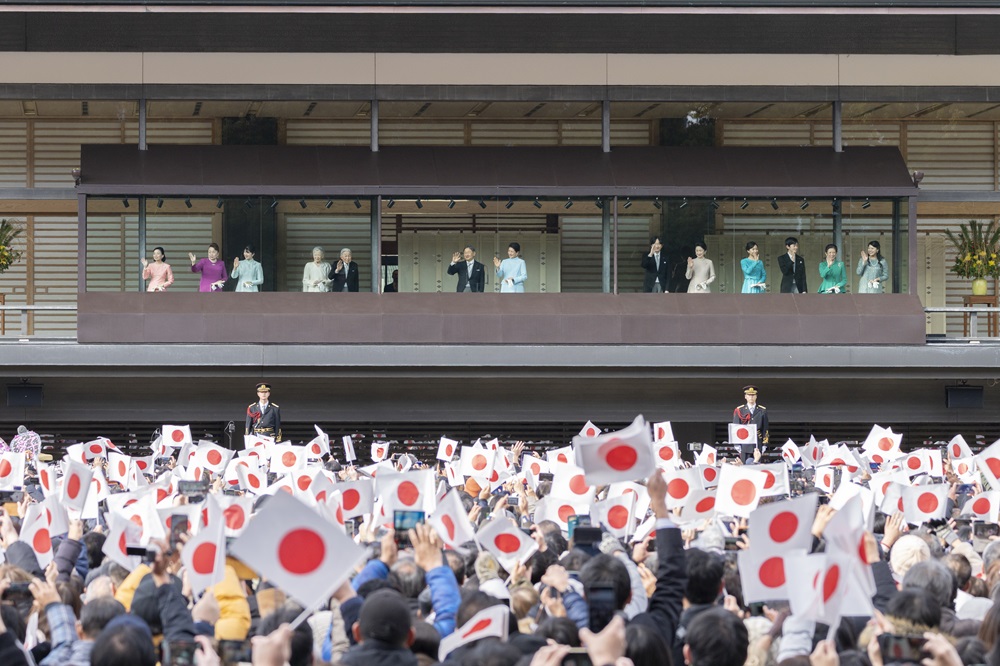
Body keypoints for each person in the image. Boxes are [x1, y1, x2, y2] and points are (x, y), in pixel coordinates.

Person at [732, 384, 768, 461]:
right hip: (744, 443)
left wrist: (765, 444)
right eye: (749, 395)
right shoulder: (740, 410)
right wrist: (736, 444)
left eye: (753, 395)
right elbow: (735, 428)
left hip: (757, 443)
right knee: (745, 467)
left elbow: (765, 429)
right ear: (745, 396)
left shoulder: (762, 410)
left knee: (757, 466)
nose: (751, 397)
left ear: (756, 396)